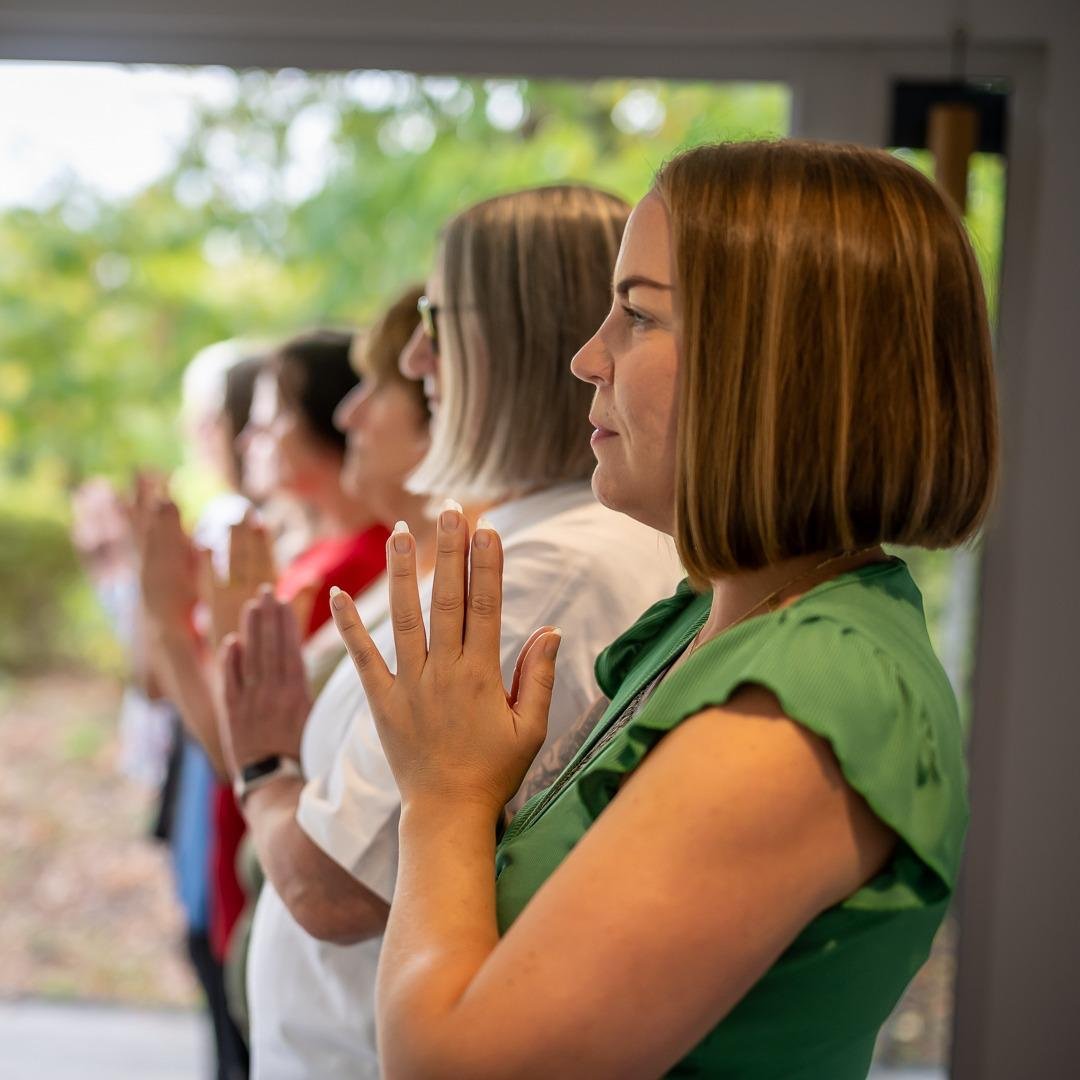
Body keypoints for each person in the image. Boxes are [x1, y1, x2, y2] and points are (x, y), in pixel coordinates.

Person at [329, 141, 999, 1080]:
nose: (586, 355)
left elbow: (456, 1067)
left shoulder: (809, 707)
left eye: (638, 315)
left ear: (779, 366)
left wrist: (442, 796)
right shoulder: (711, 617)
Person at [216, 185, 684, 1078]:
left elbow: (337, 886)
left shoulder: (548, 568)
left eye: (438, 317)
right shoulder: (524, 542)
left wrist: (266, 771)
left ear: (515, 337)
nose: (420, 358)